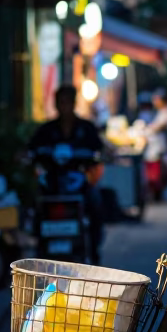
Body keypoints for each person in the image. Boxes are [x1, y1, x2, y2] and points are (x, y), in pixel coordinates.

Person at [29, 84, 106, 262]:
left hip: (77, 181)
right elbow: (31, 149)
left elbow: (99, 150)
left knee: (95, 203)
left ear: (73, 103)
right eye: (60, 102)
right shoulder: (46, 130)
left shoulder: (86, 128)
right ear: (56, 104)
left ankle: (94, 253)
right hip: (52, 182)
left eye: (67, 102)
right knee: (35, 205)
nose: (64, 106)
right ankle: (38, 246)